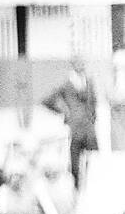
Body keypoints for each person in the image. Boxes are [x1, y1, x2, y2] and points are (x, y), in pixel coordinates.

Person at [42, 58, 98, 189]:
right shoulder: (67, 83)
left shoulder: (89, 81)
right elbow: (47, 100)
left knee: (94, 159)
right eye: (79, 63)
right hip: (74, 129)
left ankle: (91, 188)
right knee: (75, 163)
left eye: (83, 63)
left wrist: (93, 117)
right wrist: (64, 111)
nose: (82, 66)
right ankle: (76, 190)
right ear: (73, 65)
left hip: (89, 128)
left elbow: (93, 102)